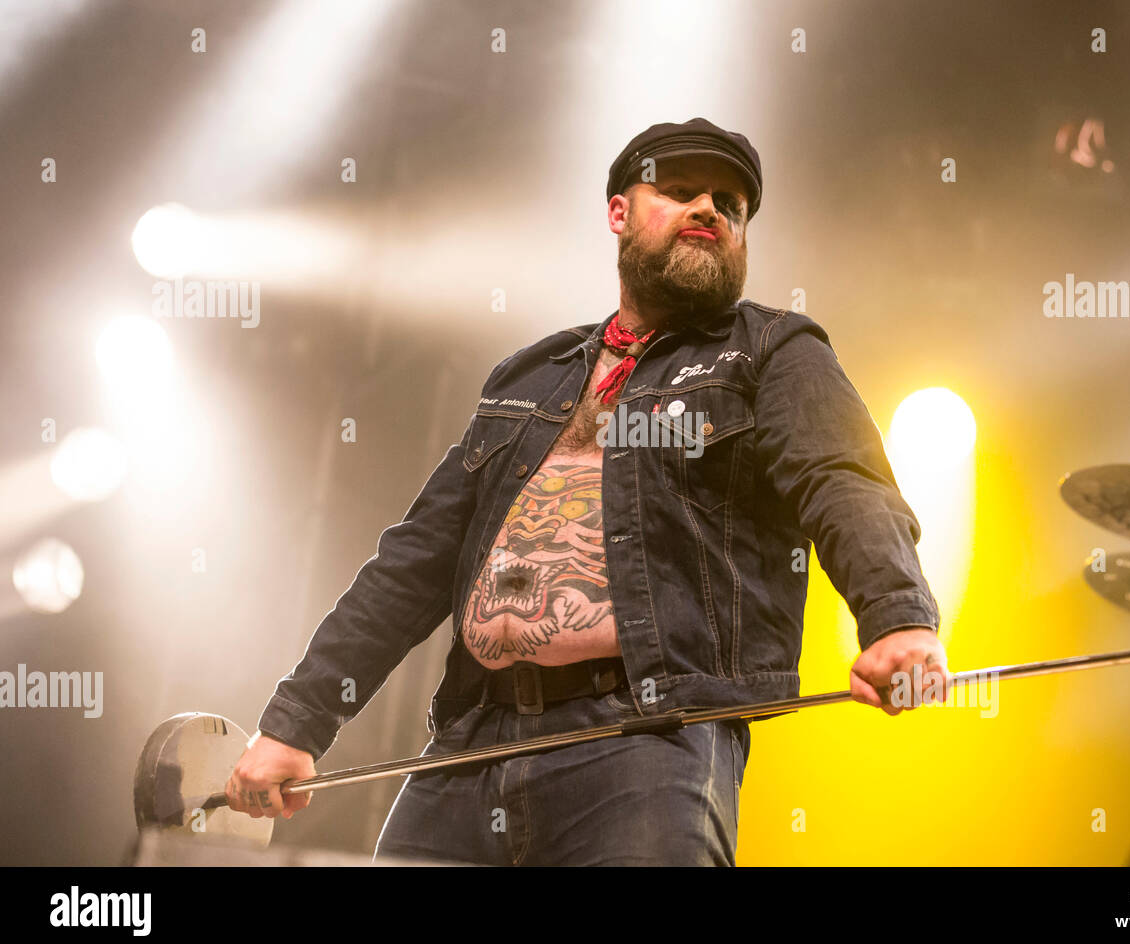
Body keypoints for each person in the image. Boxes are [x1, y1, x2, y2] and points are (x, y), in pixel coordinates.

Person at [224, 117, 948, 865]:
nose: (709, 209)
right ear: (619, 213)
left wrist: (897, 615)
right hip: (465, 749)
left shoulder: (770, 350)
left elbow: (842, 479)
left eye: (730, 205)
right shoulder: (529, 376)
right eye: (678, 190)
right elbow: (414, 561)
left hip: (645, 740)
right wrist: (297, 722)